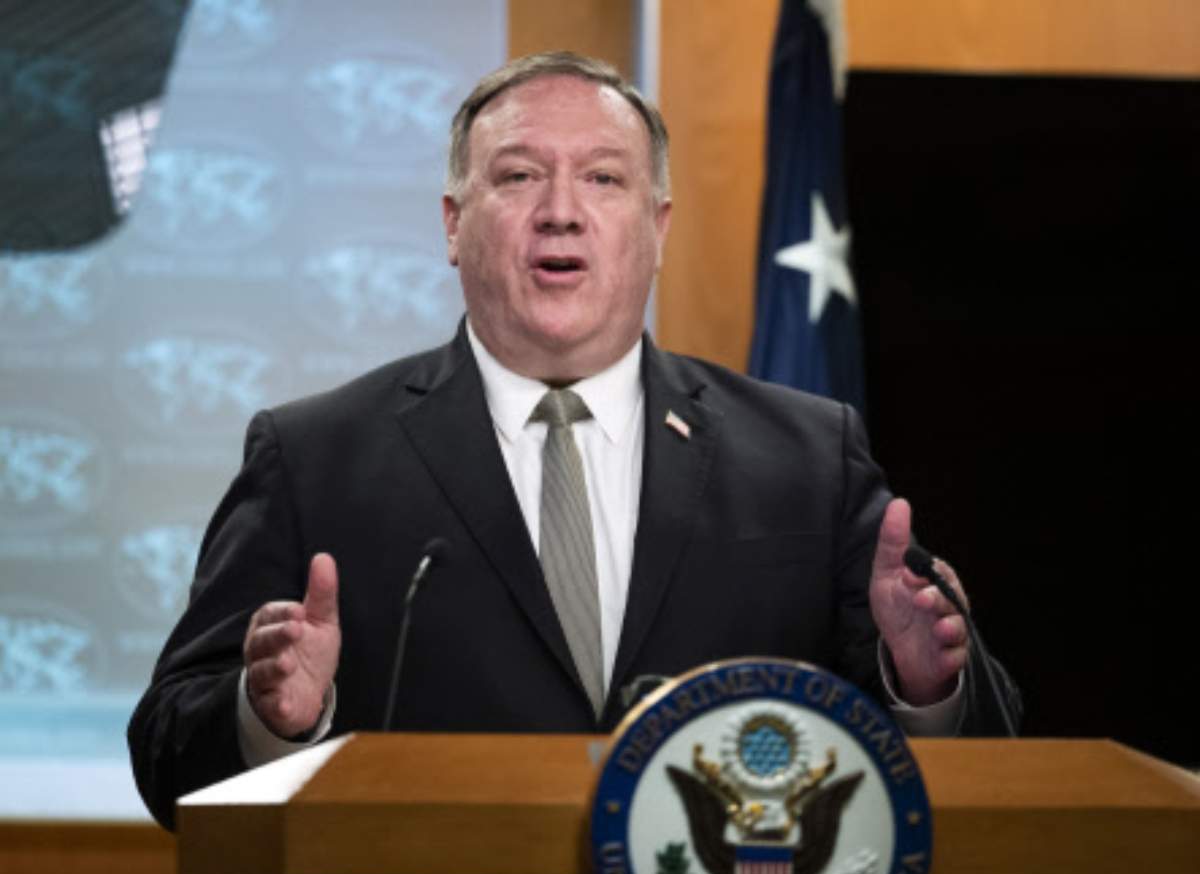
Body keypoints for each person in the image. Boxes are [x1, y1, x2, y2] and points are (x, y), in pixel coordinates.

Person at [128, 52, 1019, 831]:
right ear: (453, 223)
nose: (561, 211)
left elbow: (989, 752)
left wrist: (925, 687)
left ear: (657, 228)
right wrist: (267, 718)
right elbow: (169, 760)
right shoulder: (313, 458)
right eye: (519, 176)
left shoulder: (807, 456)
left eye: (602, 178)